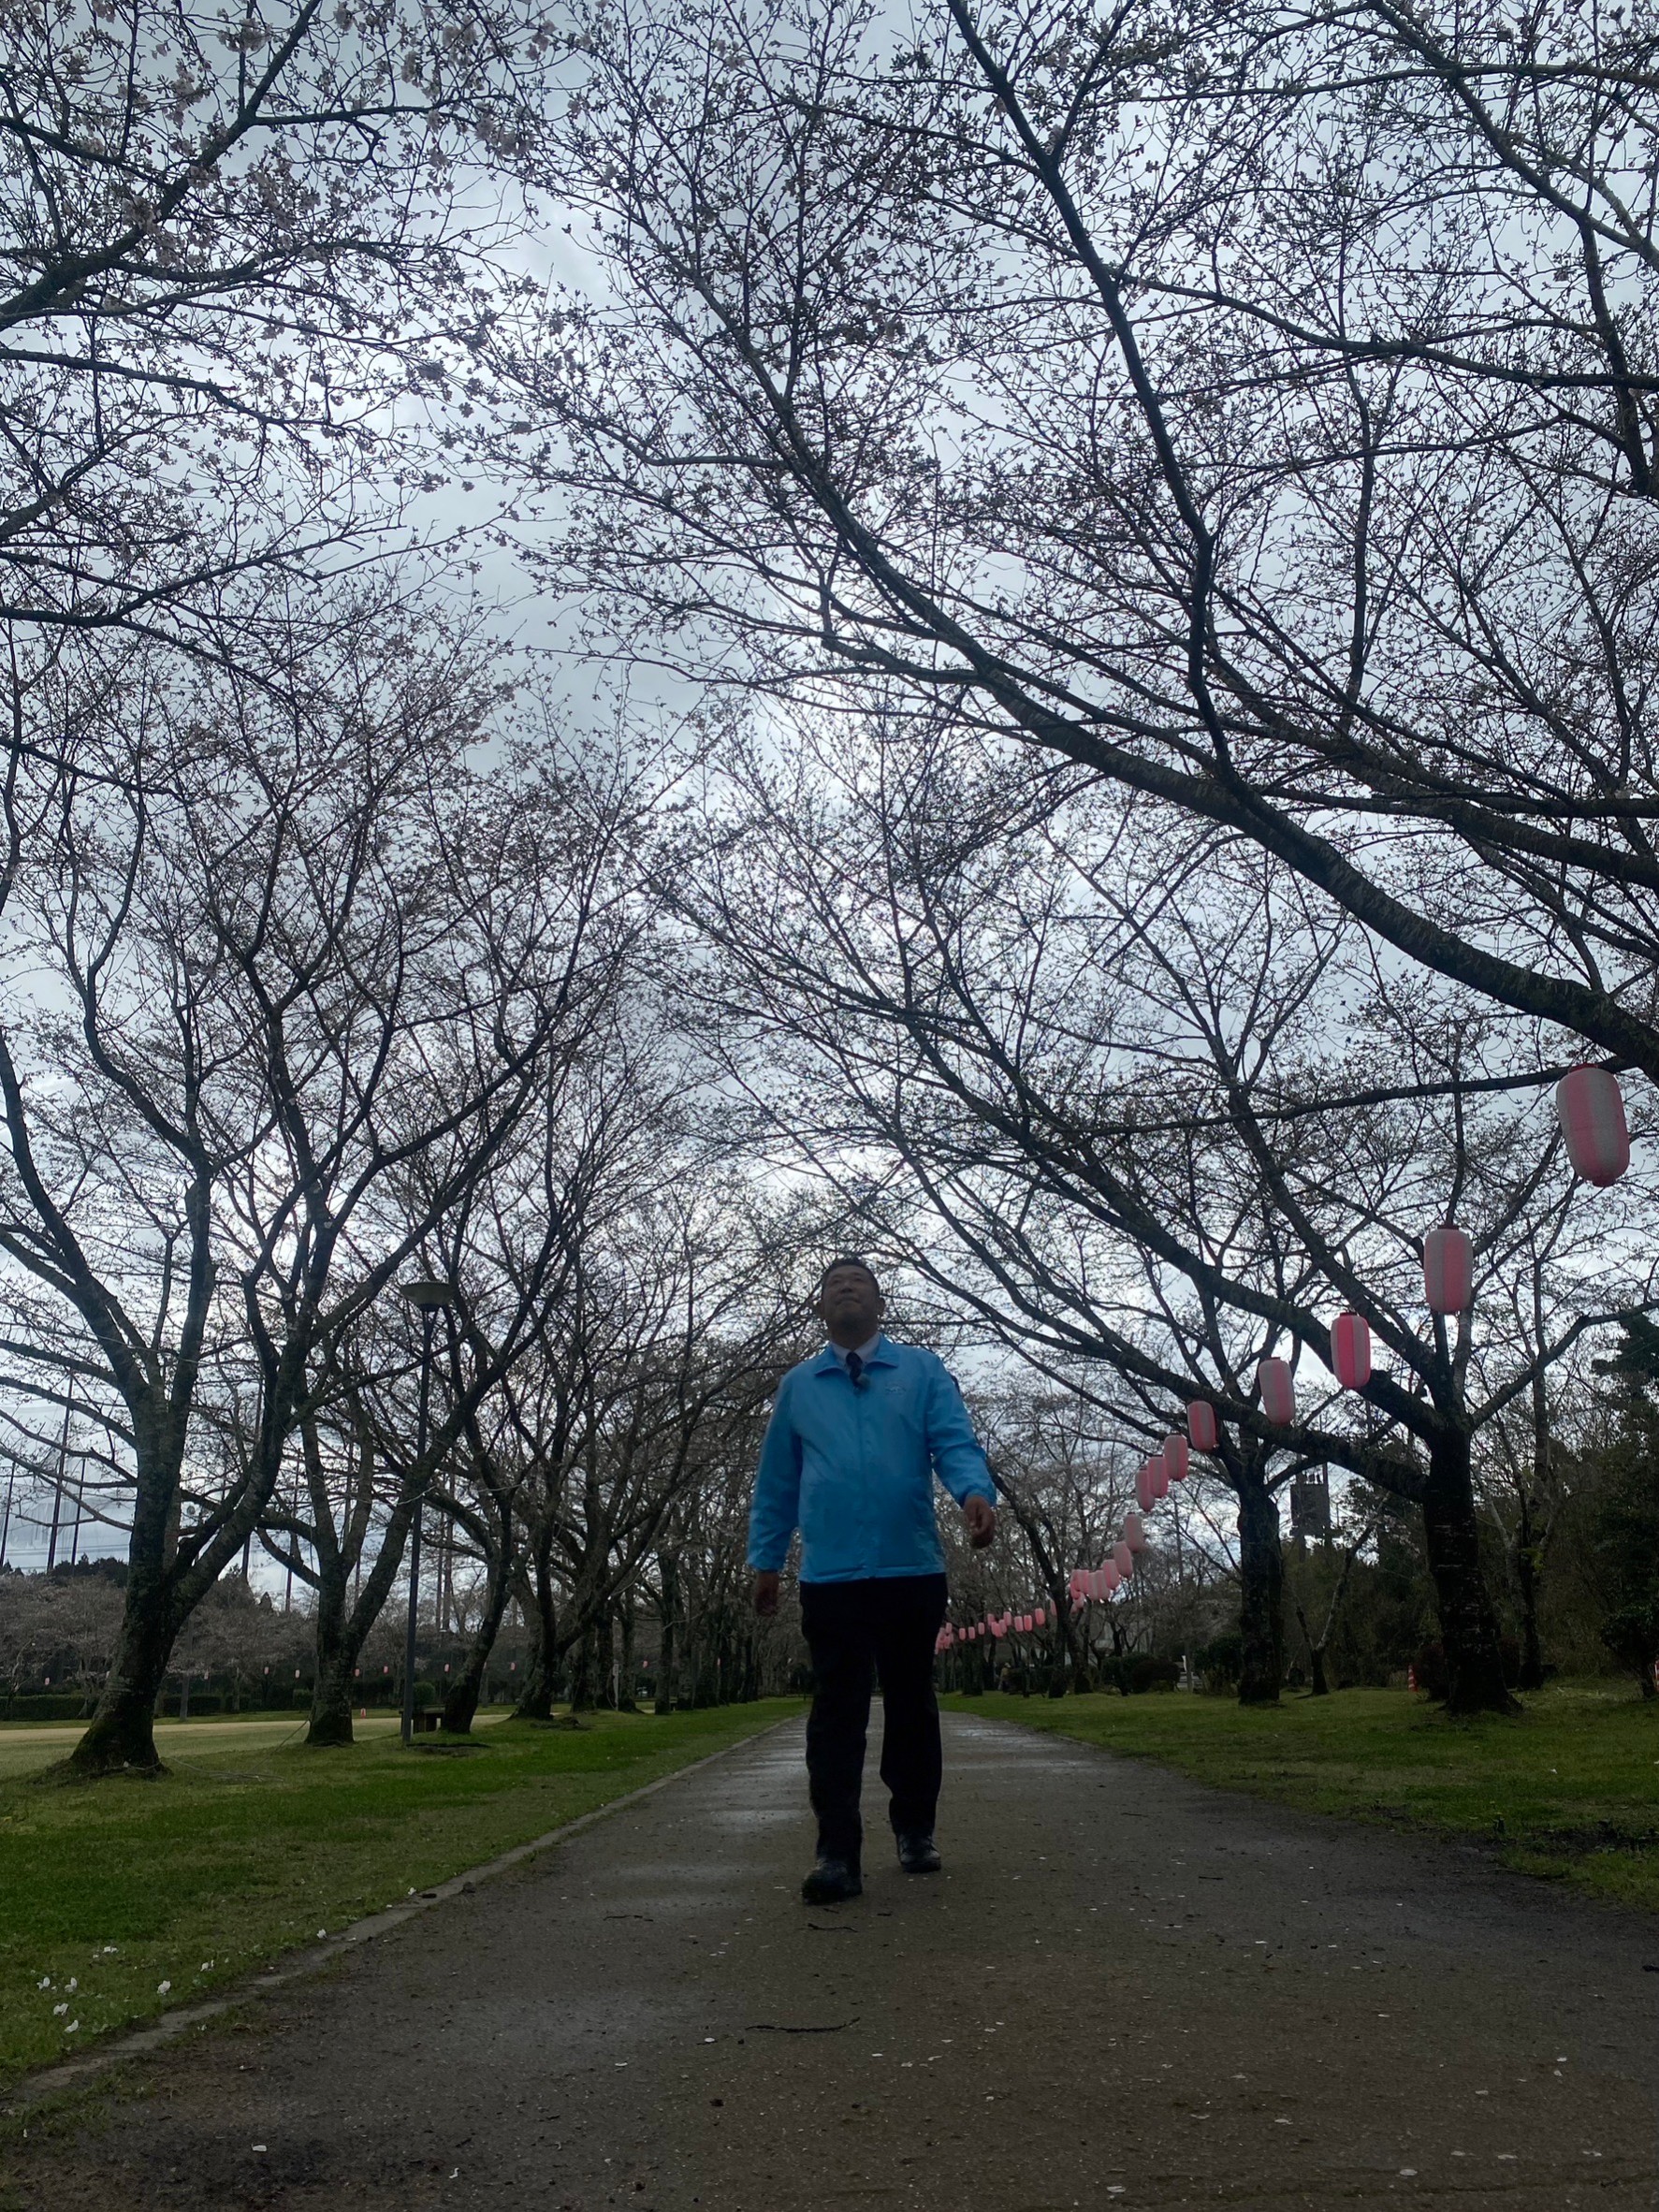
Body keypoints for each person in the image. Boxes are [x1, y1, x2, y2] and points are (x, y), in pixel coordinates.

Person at [749, 1256, 997, 1904]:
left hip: (910, 1567)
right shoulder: (799, 1386)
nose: (847, 1289)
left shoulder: (920, 1370)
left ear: (880, 1304)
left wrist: (974, 1493)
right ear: (820, 1308)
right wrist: (766, 1560)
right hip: (831, 1575)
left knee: (911, 1704)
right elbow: (776, 1482)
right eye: (834, 1284)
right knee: (836, 1712)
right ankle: (836, 1853)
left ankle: (915, 1830)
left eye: (859, 1282)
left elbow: (954, 1442)